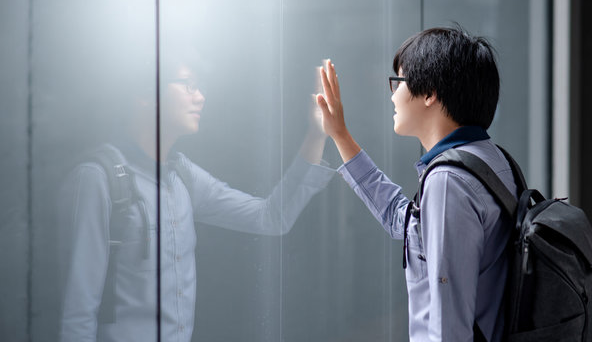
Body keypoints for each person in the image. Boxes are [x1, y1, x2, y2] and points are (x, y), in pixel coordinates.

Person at [57, 59, 334, 342]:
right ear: (145, 95)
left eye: (199, 87)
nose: (200, 97)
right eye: (188, 85)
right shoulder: (97, 179)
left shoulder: (182, 175)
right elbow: (78, 313)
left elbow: (271, 217)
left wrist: (317, 134)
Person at [316, 27, 517, 341]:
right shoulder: (491, 159)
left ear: (430, 93)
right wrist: (340, 135)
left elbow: (447, 325)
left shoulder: (448, 180)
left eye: (398, 81)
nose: (393, 95)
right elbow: (405, 220)